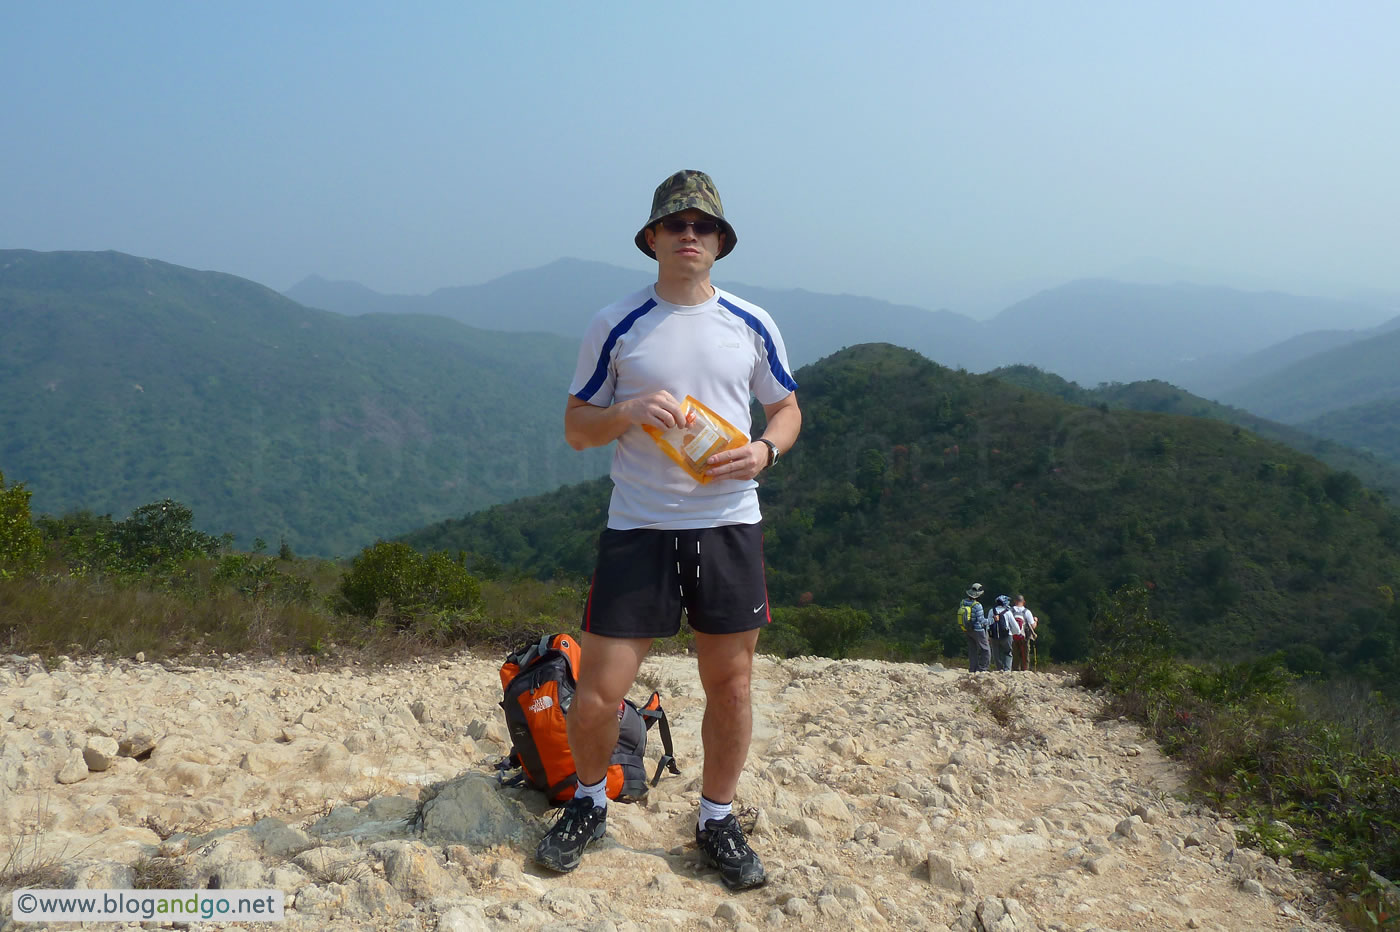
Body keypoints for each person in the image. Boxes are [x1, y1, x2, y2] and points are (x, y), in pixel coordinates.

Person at [535, 169, 801, 891]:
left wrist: (766, 449)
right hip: (640, 525)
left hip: (727, 522)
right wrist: (626, 413)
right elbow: (575, 430)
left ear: (720, 243)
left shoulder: (751, 322)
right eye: (677, 225)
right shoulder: (615, 323)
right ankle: (590, 802)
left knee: (734, 685)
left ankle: (716, 816)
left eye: (704, 227)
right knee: (597, 690)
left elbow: (787, 408)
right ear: (652, 238)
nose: (690, 236)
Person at [960, 583, 990, 672]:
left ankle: (972, 669)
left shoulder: (962, 602)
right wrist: (991, 621)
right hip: (978, 630)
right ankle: (983, 668)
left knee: (972, 649)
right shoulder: (977, 605)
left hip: (966, 629)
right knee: (985, 649)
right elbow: (981, 620)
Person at [1010, 594, 1037, 671]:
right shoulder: (1027, 612)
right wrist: (1035, 620)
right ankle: (1025, 671)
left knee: (1015, 655)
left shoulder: (1010, 611)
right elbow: (1033, 626)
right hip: (1025, 637)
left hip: (1013, 636)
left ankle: (1015, 670)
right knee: (1025, 655)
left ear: (1015, 601)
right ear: (1023, 602)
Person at [989, 595, 1015, 671]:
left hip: (994, 636)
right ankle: (1007, 670)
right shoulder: (1008, 612)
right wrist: (1015, 633)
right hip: (1006, 635)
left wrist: (988, 636)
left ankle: (999, 669)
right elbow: (1014, 625)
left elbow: (988, 624)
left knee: (996, 654)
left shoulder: (992, 611)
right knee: (1007, 653)